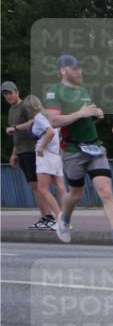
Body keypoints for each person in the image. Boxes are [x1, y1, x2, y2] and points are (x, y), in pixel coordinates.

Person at [44, 54, 113, 255]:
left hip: (94, 147)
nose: (79, 71)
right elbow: (54, 121)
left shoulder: (83, 91)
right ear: (64, 70)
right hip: (73, 151)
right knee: (76, 193)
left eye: (80, 68)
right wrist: (81, 114)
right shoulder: (54, 92)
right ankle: (63, 220)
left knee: (106, 192)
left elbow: (85, 117)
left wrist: (96, 115)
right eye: (75, 68)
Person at [4, 80, 57, 229]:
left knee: (39, 186)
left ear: (17, 92)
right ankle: (45, 218)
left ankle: (49, 218)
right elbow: (17, 136)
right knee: (34, 187)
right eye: (5, 94)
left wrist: (15, 127)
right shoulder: (11, 110)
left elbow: (36, 120)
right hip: (22, 151)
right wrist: (14, 154)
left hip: (32, 149)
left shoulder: (24, 106)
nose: (8, 96)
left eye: (10, 92)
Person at [17, 94, 65, 227]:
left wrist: (41, 147)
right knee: (61, 188)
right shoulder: (52, 116)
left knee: (42, 189)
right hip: (56, 155)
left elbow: (49, 132)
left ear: (29, 108)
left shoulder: (39, 117)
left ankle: (59, 218)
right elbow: (56, 132)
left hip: (45, 155)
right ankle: (66, 219)